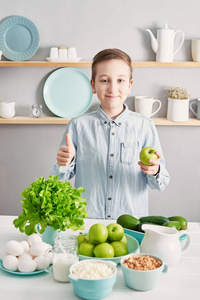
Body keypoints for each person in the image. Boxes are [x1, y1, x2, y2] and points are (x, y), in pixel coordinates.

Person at [50, 48, 170, 219]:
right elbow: (57, 181)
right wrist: (63, 164)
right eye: (105, 80)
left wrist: (155, 170)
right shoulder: (78, 126)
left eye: (120, 80)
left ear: (129, 85)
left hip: (130, 226)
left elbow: (161, 183)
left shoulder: (144, 126)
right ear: (93, 85)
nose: (113, 88)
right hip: (87, 224)